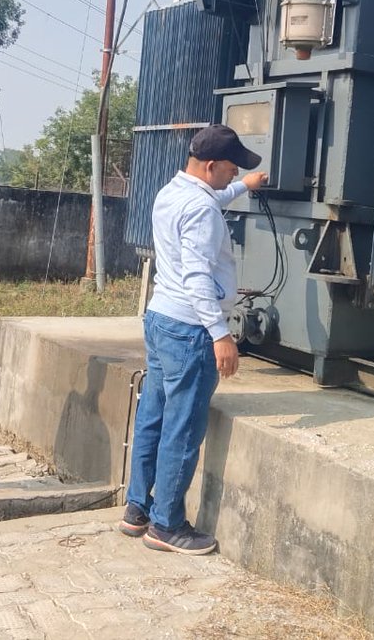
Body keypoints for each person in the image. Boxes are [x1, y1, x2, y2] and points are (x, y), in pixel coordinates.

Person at [121, 123, 268, 554]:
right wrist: (221, 335)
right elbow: (198, 278)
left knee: (153, 414)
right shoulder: (202, 210)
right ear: (210, 165)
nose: (232, 174)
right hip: (191, 330)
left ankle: (137, 510)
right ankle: (167, 526)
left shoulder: (173, 191)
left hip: (161, 318)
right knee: (183, 429)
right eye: (230, 168)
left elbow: (212, 196)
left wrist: (244, 185)